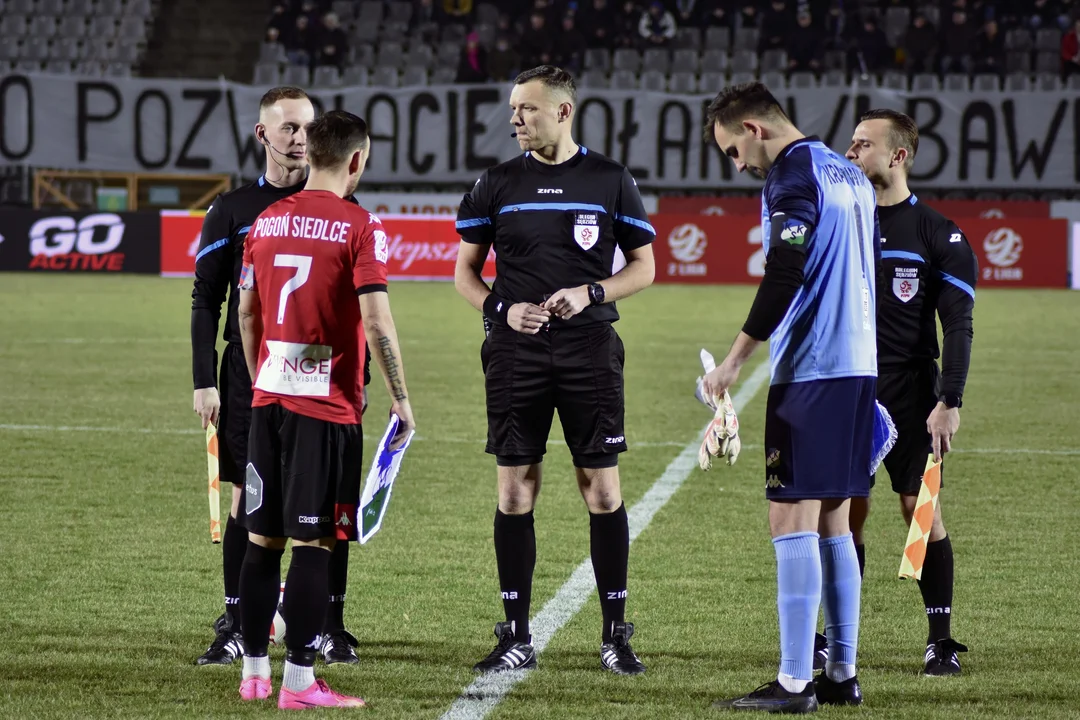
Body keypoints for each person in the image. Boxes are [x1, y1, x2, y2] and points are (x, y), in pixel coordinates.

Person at [454, 65, 656, 675]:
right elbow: (465, 274)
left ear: (563, 112)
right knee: (515, 490)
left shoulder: (609, 179)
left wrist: (592, 293)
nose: (515, 118)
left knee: (601, 488)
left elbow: (644, 267)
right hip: (515, 353)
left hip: (588, 350)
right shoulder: (495, 183)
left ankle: (615, 633)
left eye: (528, 109)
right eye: (513, 109)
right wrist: (502, 307)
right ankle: (515, 632)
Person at [701, 82, 878, 713]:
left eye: (732, 151)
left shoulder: (793, 176)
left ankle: (795, 681)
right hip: (858, 367)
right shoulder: (845, 170)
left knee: (790, 518)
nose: (739, 166)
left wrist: (733, 361)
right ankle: (842, 673)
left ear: (753, 128)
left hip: (814, 370)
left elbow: (786, 268)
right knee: (834, 518)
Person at [236, 110, 416, 708]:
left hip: (268, 399)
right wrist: (400, 393)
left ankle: (254, 674)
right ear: (358, 160)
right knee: (315, 545)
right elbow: (375, 317)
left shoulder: (265, 220)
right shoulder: (360, 225)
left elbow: (244, 312)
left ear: (308, 154)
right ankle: (300, 683)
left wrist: (263, 373)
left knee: (262, 541)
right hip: (326, 407)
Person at [190, 86, 362, 667]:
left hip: (327, 381)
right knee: (248, 503)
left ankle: (329, 623)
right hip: (253, 382)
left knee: (329, 506)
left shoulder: (346, 212)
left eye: (307, 128)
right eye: (287, 128)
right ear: (262, 135)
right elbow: (206, 299)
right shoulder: (235, 210)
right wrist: (204, 380)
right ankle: (238, 621)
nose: (299, 138)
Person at [845, 109, 977, 676]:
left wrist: (949, 402)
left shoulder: (937, 233)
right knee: (843, 513)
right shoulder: (840, 223)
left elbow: (959, 325)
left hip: (913, 391)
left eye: (862, 144)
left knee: (918, 510)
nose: (850, 154)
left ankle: (940, 639)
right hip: (847, 388)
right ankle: (835, 635)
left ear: (897, 156)